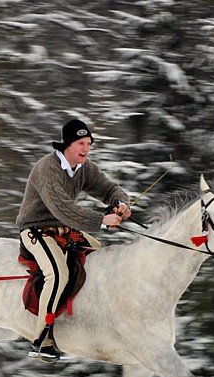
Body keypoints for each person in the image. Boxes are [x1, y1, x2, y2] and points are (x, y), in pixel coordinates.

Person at [17, 118, 132, 362]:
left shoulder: (84, 168)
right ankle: (42, 339)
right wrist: (102, 220)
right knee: (58, 273)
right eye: (81, 143)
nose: (86, 149)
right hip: (36, 229)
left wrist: (120, 203)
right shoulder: (47, 169)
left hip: (63, 229)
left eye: (89, 144)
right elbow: (63, 209)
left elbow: (108, 188)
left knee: (99, 256)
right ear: (67, 145)